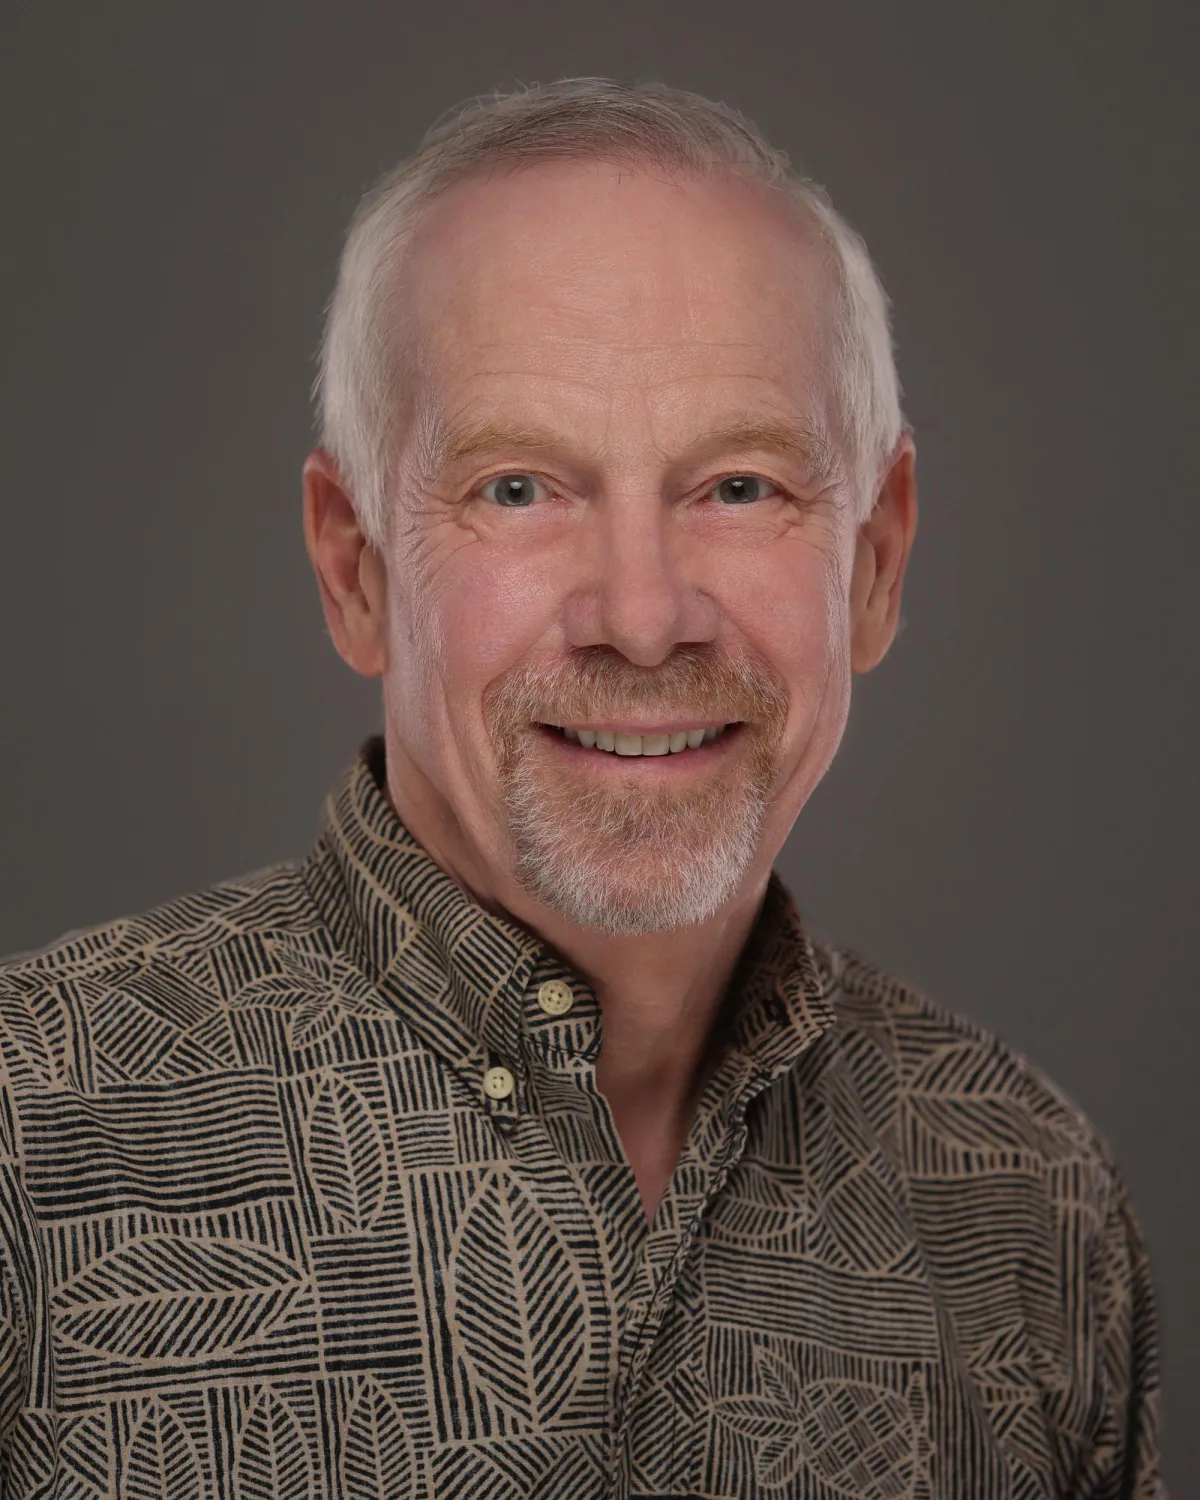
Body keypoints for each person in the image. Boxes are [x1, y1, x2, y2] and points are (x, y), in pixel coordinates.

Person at [0, 79, 1163, 1498]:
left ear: (876, 562)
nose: (643, 612)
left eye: (738, 487)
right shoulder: (31, 1140)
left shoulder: (1027, 1204)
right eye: (518, 488)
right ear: (353, 568)